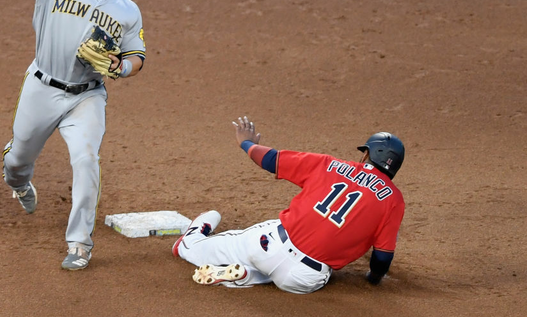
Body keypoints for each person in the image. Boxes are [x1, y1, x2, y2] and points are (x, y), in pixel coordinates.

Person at [0, 0, 146, 271]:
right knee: (17, 159)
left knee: (86, 160)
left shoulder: (127, 9)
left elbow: (138, 57)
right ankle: (17, 180)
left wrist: (121, 67)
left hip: (88, 97)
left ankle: (79, 243)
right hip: (42, 88)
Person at [172, 116, 406, 294]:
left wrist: (246, 144)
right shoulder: (394, 200)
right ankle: (246, 277)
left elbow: (272, 160)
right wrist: (373, 279)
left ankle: (192, 241)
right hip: (304, 278)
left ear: (367, 155)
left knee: (195, 249)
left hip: (268, 246)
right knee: (287, 273)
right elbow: (382, 258)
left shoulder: (330, 164)